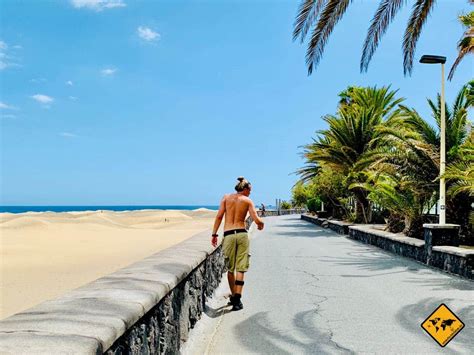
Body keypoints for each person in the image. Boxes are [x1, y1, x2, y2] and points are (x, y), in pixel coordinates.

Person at [211, 176, 264, 311]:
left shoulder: (226, 198)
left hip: (229, 234)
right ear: (245, 189)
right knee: (241, 267)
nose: (250, 193)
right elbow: (255, 218)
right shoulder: (247, 201)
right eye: (250, 190)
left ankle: (234, 295)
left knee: (230, 268)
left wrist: (214, 234)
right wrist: (261, 224)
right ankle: (237, 300)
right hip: (241, 234)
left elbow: (219, 216)